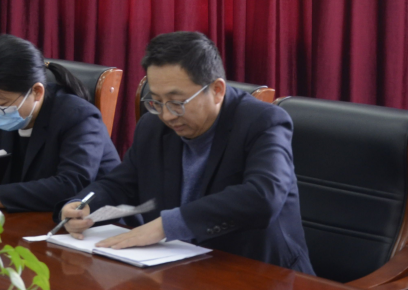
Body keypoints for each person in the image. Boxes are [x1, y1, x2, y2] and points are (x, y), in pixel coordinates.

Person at [60, 31, 314, 275]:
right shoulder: (152, 126)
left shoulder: (262, 121)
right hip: (179, 268)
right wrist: (83, 204)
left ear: (217, 90)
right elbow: (120, 183)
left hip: (258, 273)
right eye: (156, 101)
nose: (167, 115)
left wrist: (167, 225)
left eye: (177, 102)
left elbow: (263, 197)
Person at [0, 35, 121, 212]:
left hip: (94, 221)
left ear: (37, 92)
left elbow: (71, 185)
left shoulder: (78, 117)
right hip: (26, 218)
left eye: (1, 102)